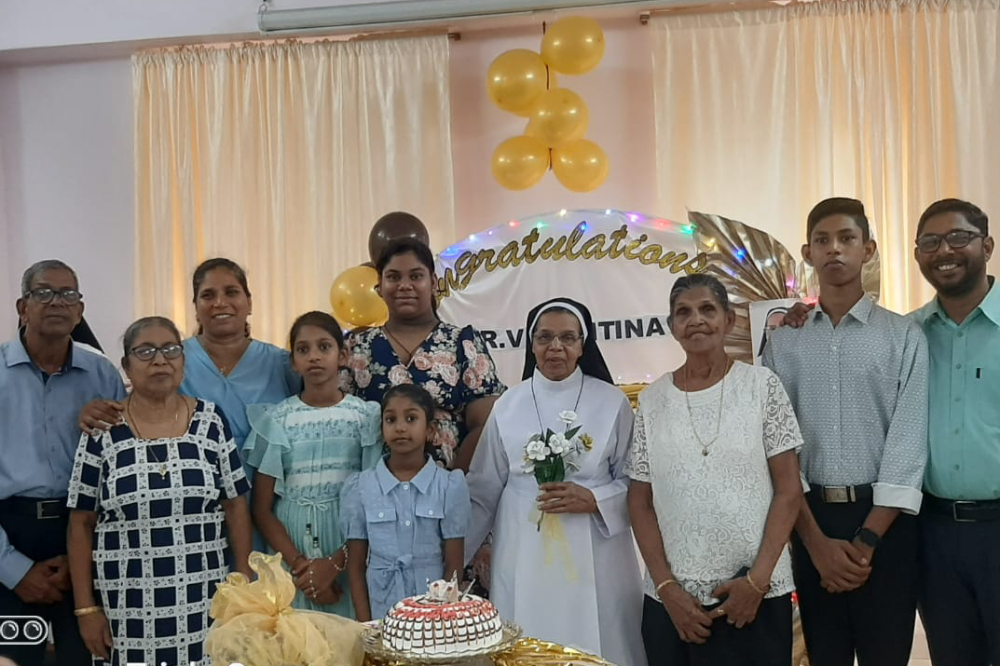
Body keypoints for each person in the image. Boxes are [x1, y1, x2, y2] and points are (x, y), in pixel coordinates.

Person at [762, 198, 929, 666]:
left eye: (846, 239)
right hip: (810, 519)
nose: (834, 249)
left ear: (868, 249)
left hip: (886, 526)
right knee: (826, 655)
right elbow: (778, 448)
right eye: (822, 240)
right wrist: (815, 544)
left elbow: (908, 441)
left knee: (886, 654)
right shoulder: (784, 342)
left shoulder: (903, 337)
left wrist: (868, 540)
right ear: (807, 253)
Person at [628, 274, 804, 666]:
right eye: (683, 313)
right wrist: (667, 587)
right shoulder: (653, 400)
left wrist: (756, 583)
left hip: (754, 596)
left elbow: (789, 490)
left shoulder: (762, 387)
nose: (696, 320)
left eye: (708, 309)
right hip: (674, 603)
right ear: (672, 327)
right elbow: (639, 502)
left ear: (729, 319)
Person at [465, 298, 646, 666]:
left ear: (583, 344)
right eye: (544, 337)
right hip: (523, 547)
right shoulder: (507, 405)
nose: (556, 347)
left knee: (601, 640)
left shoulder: (613, 402)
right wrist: (454, 557)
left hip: (597, 550)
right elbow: (483, 489)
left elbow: (637, 482)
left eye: (567, 337)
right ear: (531, 345)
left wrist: (594, 498)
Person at [66, 316, 253, 666]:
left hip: (205, 602)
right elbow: (80, 524)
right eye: (145, 351)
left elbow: (235, 506)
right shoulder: (102, 428)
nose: (159, 360)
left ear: (183, 360)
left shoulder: (210, 421)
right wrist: (86, 609)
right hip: (127, 610)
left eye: (170, 349)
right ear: (126, 366)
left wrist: (241, 585)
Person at [0, 260, 126, 666]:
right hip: (9, 535)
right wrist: (13, 568)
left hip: (84, 534)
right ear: (22, 307)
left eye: (68, 294)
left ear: (80, 310)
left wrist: (83, 560)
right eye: (43, 293)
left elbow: (120, 468)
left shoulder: (101, 375)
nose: (57, 302)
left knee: (86, 656)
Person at [79, 258, 299, 453]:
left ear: (249, 303)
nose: (220, 302)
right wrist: (97, 412)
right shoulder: (170, 358)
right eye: (208, 295)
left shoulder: (282, 363)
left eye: (231, 292)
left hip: (272, 490)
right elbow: (135, 409)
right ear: (196, 307)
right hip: (192, 488)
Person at [245, 311, 382, 616]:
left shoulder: (365, 418)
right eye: (303, 350)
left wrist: (334, 564)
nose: (314, 357)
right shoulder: (278, 420)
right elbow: (262, 508)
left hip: (348, 548)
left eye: (324, 347)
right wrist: (302, 569)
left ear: (343, 355)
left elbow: (374, 502)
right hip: (292, 551)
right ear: (293, 361)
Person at [909, 199, 999, 666]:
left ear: (986, 245)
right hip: (935, 533)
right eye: (930, 241)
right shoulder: (906, 336)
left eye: (958, 237)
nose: (944, 250)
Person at [341, 238, 504, 471]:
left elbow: (484, 424)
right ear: (379, 286)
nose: (404, 285)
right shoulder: (356, 346)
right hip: (373, 491)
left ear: (434, 283)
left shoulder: (463, 342)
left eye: (416, 276)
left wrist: (453, 482)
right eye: (393, 277)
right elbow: (341, 420)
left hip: (449, 487)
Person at [341, 385, 470, 622]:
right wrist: (365, 625)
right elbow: (356, 564)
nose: (400, 427)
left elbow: (453, 563)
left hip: (432, 615)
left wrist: (440, 618)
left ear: (430, 430)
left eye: (411, 419)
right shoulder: (361, 487)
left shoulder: (449, 486)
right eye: (391, 419)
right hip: (382, 612)